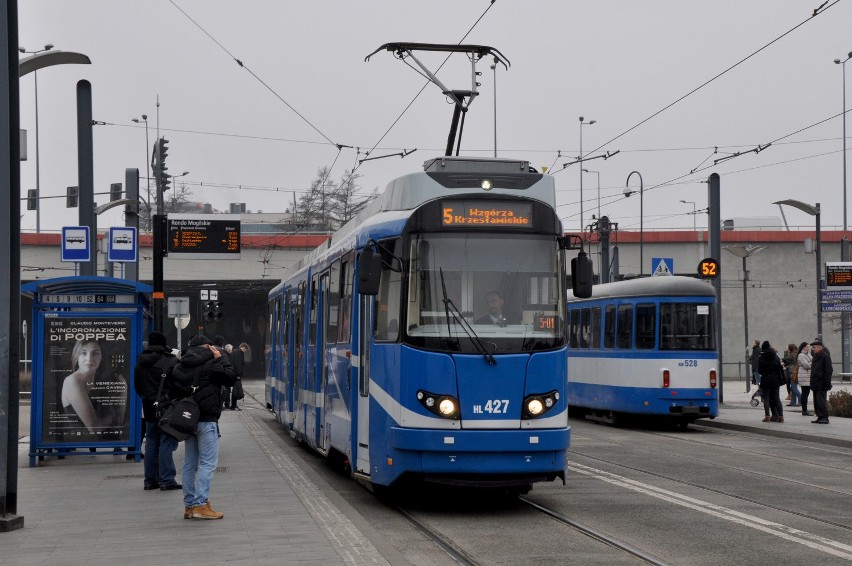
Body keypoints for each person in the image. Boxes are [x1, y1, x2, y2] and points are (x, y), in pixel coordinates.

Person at [171, 334, 237, 520]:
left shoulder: (180, 365)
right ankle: (201, 504)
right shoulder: (212, 364)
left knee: (189, 463)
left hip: (188, 419)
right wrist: (221, 358)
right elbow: (231, 377)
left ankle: (189, 506)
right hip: (207, 419)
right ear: (207, 346)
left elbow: (173, 389)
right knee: (208, 463)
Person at [133, 331, 181, 491]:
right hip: (166, 407)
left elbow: (137, 387)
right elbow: (177, 385)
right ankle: (167, 480)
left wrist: (148, 398)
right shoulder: (170, 360)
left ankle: (149, 480)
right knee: (166, 442)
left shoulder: (140, 361)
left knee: (151, 442)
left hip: (148, 406)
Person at [61, 339, 126, 434]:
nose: (89, 359)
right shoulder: (72, 381)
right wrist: (115, 413)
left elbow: (119, 425)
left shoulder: (100, 381)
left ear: (101, 357)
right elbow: (94, 428)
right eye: (83, 353)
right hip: (80, 441)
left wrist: (123, 385)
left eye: (95, 353)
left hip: (99, 442)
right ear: (76, 356)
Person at [756, 340, 784, 423]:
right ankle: (781, 416)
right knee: (776, 398)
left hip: (765, 380)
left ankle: (767, 416)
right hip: (775, 380)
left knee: (766, 398)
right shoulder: (775, 356)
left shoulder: (761, 357)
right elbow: (779, 367)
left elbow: (760, 370)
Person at [809, 340, 833, 424]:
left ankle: (824, 417)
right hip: (815, 383)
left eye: (814, 347)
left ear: (820, 347)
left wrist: (827, 383)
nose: (813, 349)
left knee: (821, 401)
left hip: (822, 383)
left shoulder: (825, 356)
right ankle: (819, 416)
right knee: (816, 401)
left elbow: (828, 371)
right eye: (812, 347)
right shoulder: (816, 356)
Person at [228, 342, 248, 410]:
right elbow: (238, 364)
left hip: (234, 372)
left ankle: (234, 405)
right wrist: (238, 374)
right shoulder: (239, 353)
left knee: (235, 389)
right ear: (243, 348)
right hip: (236, 374)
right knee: (236, 390)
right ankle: (233, 405)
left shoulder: (235, 352)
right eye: (245, 350)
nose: (245, 351)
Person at [796, 342, 813, 416]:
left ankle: (805, 410)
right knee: (805, 394)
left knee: (806, 393)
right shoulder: (801, 355)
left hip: (807, 376)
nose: (808, 348)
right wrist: (812, 362)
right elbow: (806, 365)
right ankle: (804, 410)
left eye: (808, 347)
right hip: (804, 376)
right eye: (807, 347)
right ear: (803, 347)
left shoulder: (807, 354)